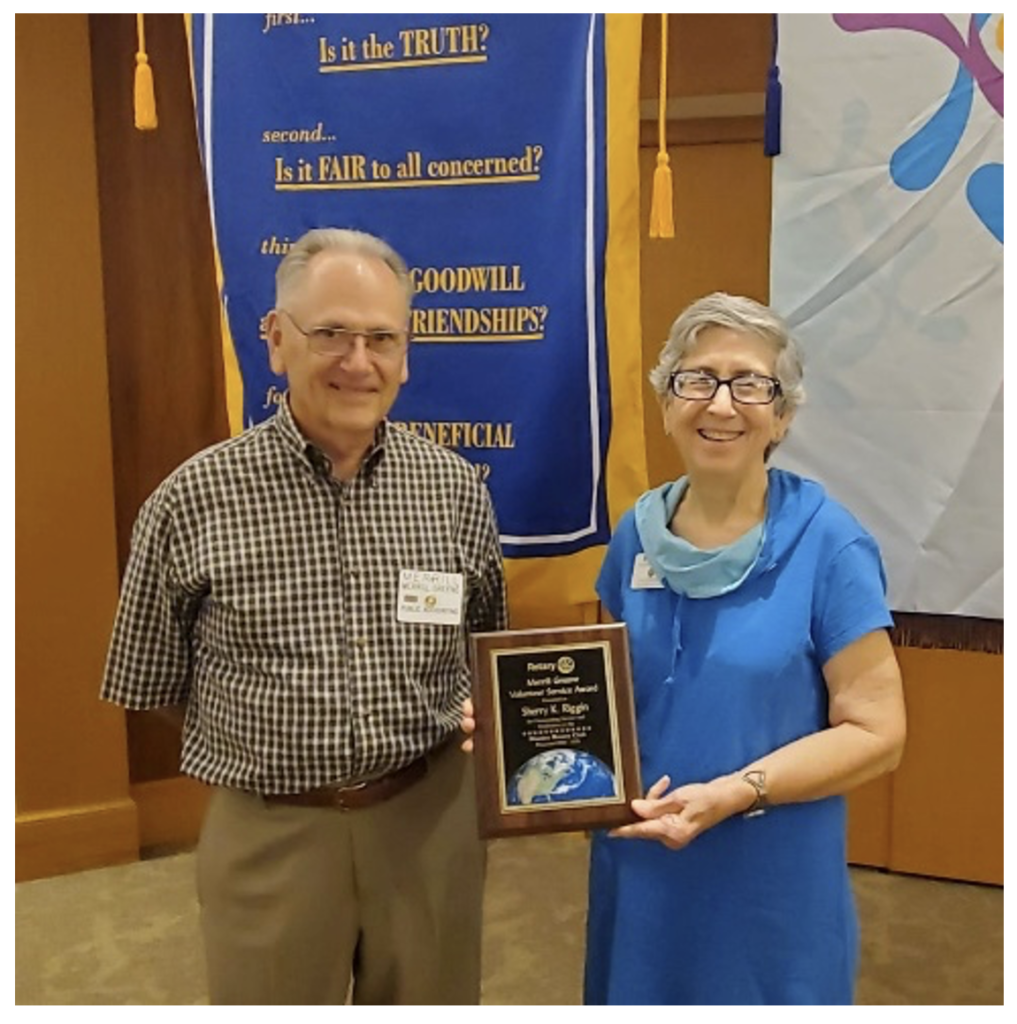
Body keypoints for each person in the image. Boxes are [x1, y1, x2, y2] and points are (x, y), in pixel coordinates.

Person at [102, 227, 507, 1005]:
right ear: (276, 340)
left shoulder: (456, 492)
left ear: (406, 354)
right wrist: (271, 748)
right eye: (330, 334)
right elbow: (152, 684)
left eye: (381, 338)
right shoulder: (190, 502)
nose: (358, 362)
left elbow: (483, 648)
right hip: (271, 836)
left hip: (429, 824)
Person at [584, 292, 906, 1004]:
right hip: (642, 869)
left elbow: (878, 734)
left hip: (767, 880)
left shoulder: (829, 543)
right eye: (694, 379)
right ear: (667, 402)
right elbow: (602, 703)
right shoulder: (633, 537)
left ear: (782, 414)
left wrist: (737, 792)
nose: (719, 405)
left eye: (749, 384)